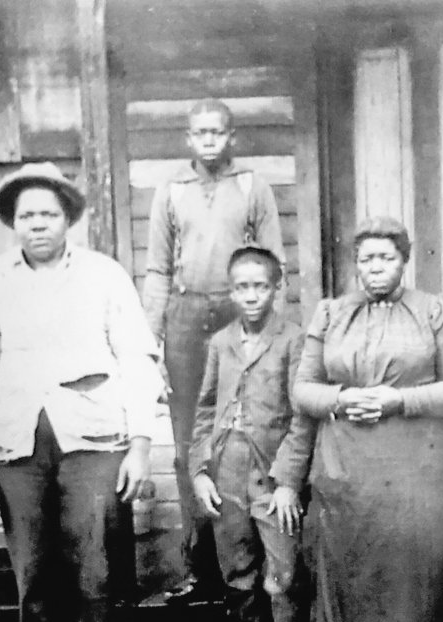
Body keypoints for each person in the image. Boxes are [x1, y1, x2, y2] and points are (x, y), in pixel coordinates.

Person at [0, 162, 163, 622]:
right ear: (12, 222)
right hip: (18, 452)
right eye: (27, 215)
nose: (38, 224)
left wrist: (140, 446)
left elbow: (138, 360)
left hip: (93, 446)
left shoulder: (103, 275)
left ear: (67, 219)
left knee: (94, 578)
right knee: (35, 582)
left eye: (49, 213)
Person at [293, 217, 443, 622]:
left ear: (404, 261)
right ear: (356, 264)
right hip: (346, 468)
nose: (376, 268)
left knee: (410, 575)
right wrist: (340, 399)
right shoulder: (331, 313)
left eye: (387, 258)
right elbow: (302, 390)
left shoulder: (433, 310)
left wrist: (401, 400)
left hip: (414, 468)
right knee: (351, 575)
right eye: (367, 259)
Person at [143, 98, 286, 596]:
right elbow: (159, 269)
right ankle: (198, 561)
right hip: (186, 318)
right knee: (190, 442)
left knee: (244, 428)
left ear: (232, 137)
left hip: (237, 311)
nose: (208, 141)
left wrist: (272, 330)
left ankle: (254, 549)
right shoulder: (171, 190)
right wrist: (151, 344)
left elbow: (273, 265)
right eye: (199, 133)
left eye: (217, 132)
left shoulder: (251, 185)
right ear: (188, 139)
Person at [190, 246, 314, 622]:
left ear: (277, 288)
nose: (251, 296)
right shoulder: (221, 342)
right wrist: (200, 470)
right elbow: (205, 411)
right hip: (227, 470)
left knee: (283, 576)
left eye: (261, 286)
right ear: (231, 291)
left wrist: (288, 482)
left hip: (272, 471)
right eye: (242, 287)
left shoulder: (293, 339)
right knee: (238, 577)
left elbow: (302, 415)